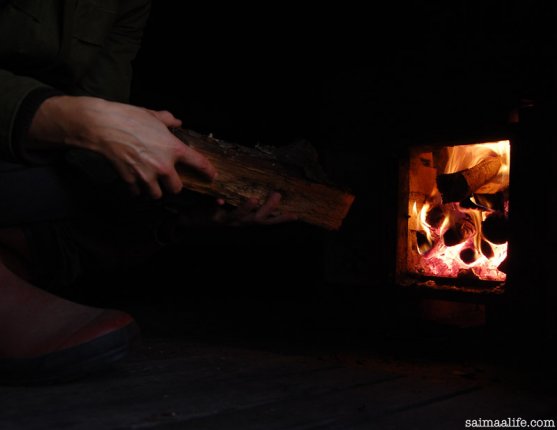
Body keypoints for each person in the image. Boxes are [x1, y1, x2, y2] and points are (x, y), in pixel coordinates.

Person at [0, 0, 295, 384]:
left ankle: (11, 259)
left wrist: (192, 202)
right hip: (24, 129)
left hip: (22, 154)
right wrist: (83, 119)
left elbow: (102, 111)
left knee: (114, 201)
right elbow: (92, 116)